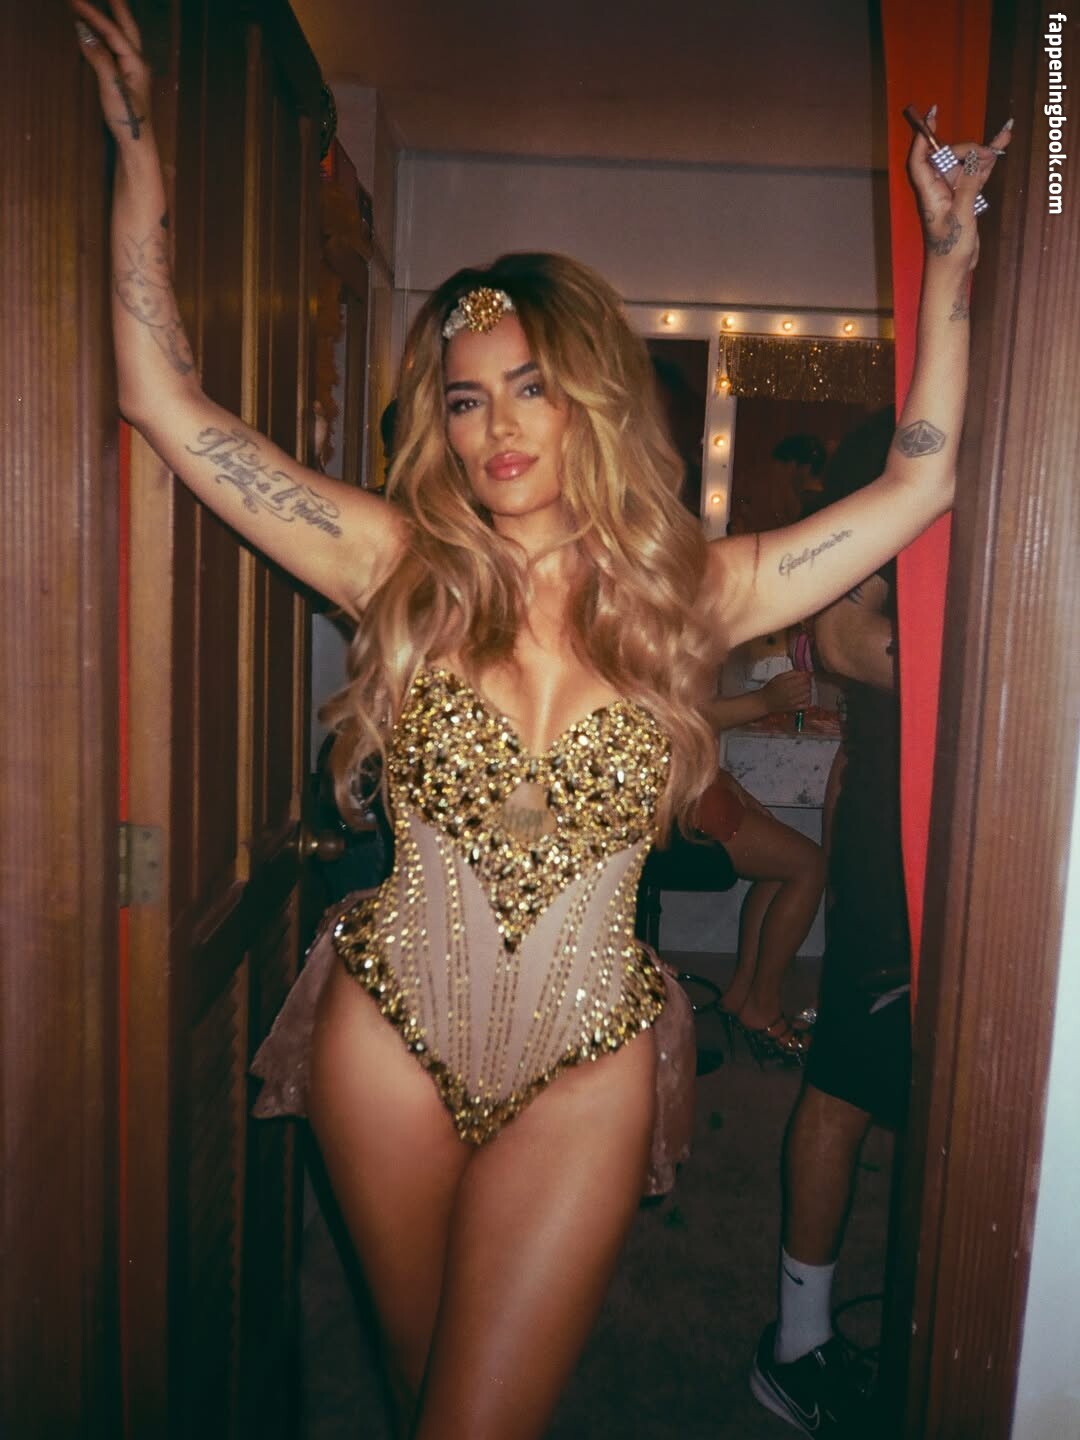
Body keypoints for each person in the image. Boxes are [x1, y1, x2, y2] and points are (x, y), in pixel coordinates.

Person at [74, 8, 1008, 1434]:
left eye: (530, 389)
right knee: (428, 1392)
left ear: (588, 401)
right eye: (466, 400)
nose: (497, 427)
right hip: (388, 1038)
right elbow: (163, 396)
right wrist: (139, 149)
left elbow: (921, 482)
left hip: (588, 1055)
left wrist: (951, 263)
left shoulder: (694, 595)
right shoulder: (393, 562)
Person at [748, 407, 915, 1437]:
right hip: (896, 818)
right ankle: (798, 1346)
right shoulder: (882, 448)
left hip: (983, 814)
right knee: (850, 1074)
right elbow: (845, 633)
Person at [696, 673, 825, 1062]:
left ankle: (741, 994)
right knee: (809, 866)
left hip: (685, 787)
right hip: (675, 802)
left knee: (783, 863)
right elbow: (678, 716)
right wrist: (764, 701)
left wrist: (721, 778)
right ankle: (762, 1007)